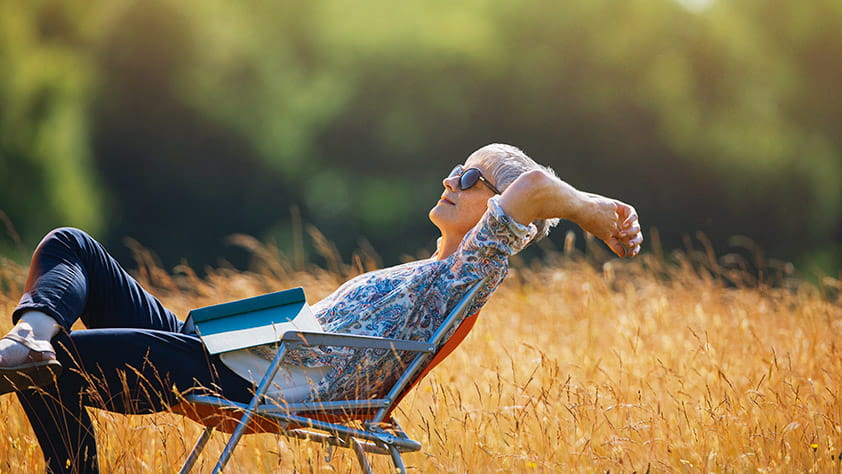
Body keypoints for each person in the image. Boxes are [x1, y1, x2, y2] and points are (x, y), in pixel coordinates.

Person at [0, 143, 642, 472]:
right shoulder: (426, 270)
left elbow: (530, 189)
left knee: (58, 364)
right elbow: (519, 189)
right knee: (70, 247)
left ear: (500, 219)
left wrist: (590, 211)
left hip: (257, 378)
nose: (452, 181)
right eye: (455, 169)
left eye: (473, 179)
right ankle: (28, 335)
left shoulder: (468, 275)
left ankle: (31, 353)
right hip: (226, 351)